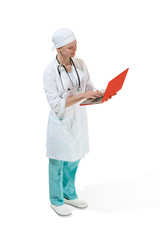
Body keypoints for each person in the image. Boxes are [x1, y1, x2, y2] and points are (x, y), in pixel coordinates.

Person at [43, 28, 104, 216]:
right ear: (59, 48)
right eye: (70, 47)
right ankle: (56, 199)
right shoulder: (50, 72)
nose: (75, 49)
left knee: (74, 158)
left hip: (78, 120)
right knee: (58, 162)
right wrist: (84, 95)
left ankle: (69, 193)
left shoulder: (80, 63)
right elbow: (56, 105)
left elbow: (88, 87)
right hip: (60, 123)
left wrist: (99, 95)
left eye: (76, 45)